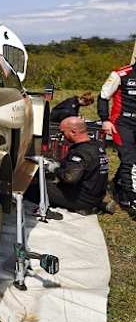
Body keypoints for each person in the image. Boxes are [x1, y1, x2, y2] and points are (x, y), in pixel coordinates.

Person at [26, 116, 109, 214]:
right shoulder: (97, 146)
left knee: (33, 186)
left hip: (80, 199)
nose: (62, 136)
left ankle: (84, 207)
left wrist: (55, 169)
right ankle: (98, 205)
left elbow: (70, 177)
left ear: (73, 131)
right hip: (95, 195)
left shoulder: (81, 152)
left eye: (63, 132)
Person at [99, 63, 136, 218]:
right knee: (130, 161)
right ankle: (132, 200)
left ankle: (118, 184)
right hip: (122, 124)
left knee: (131, 159)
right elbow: (103, 96)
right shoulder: (121, 74)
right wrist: (105, 120)